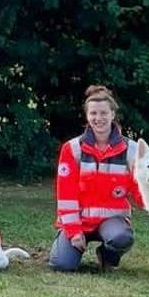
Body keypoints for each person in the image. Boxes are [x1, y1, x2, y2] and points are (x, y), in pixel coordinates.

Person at [49, 85, 140, 271]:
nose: (99, 118)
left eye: (104, 113)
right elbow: (66, 196)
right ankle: (69, 248)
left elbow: (141, 189)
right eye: (93, 113)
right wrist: (74, 231)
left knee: (122, 238)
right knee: (62, 265)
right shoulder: (72, 149)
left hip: (113, 220)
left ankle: (107, 255)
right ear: (87, 116)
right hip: (79, 221)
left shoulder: (132, 150)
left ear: (113, 114)